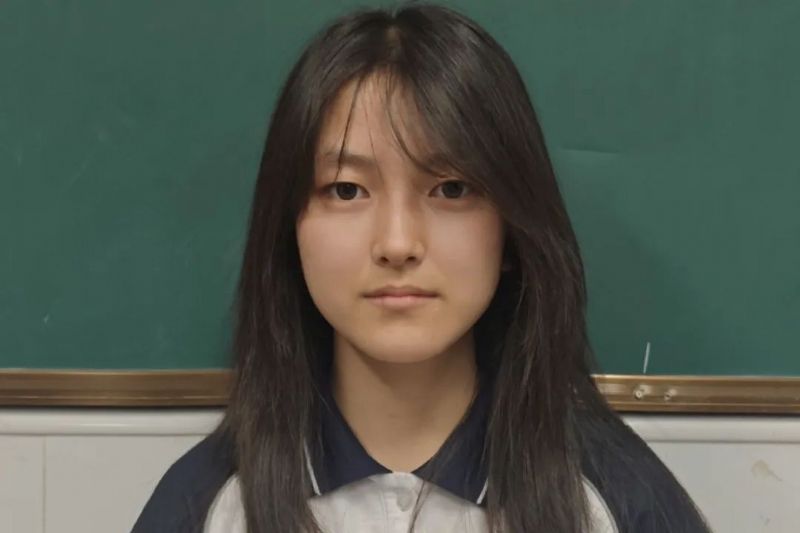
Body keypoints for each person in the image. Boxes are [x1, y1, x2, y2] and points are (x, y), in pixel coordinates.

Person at [133, 2, 712, 532]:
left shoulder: (620, 501)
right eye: (346, 189)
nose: (398, 242)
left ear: (513, 227)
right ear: (289, 227)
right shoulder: (204, 506)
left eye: (451, 188)